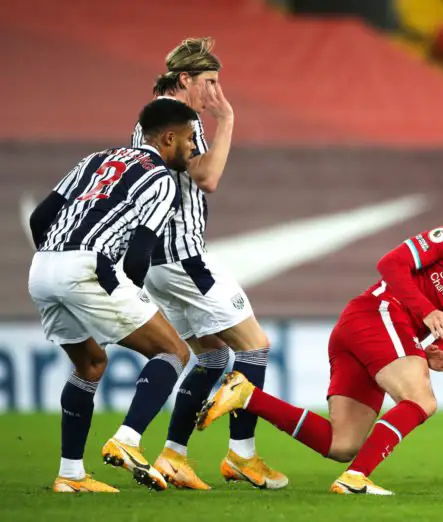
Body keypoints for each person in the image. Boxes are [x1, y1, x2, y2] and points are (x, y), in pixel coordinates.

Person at [196, 198, 443, 495]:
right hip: (377, 313)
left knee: (342, 444)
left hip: (377, 335)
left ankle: (245, 395)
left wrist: (438, 352)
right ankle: (355, 478)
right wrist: (426, 310)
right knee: (421, 399)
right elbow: (391, 263)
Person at [132, 37, 286, 490]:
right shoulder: (182, 119)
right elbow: (208, 177)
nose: (215, 92)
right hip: (183, 257)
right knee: (255, 347)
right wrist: (229, 119)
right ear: (185, 80)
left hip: (160, 263)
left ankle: (174, 455)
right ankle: (242, 455)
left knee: (215, 356)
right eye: (210, 82)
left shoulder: (152, 117)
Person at [28, 98, 198, 492]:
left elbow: (39, 218)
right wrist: (128, 297)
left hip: (43, 266)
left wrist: (59, 262)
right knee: (173, 351)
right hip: (88, 267)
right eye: (190, 138)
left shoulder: (94, 160)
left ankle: (70, 475)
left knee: (90, 365)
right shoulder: (161, 181)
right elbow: (138, 257)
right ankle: (127, 440)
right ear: (168, 138)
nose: (193, 147)